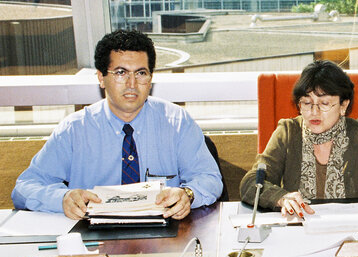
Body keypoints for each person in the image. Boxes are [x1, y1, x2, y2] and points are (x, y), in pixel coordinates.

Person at [12, 29, 223, 220]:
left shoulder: (177, 122)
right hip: (91, 241)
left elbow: (209, 178)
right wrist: (62, 198)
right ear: (101, 78)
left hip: (164, 237)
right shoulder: (75, 129)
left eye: (141, 73)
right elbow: (24, 188)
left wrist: (187, 194)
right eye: (121, 73)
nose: (132, 84)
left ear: (150, 79)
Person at [240, 60, 358, 217]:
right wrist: (281, 197)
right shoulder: (288, 132)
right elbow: (251, 183)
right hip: (300, 230)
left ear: (343, 105)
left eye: (324, 103)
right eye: (306, 103)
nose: (314, 112)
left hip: (353, 232)